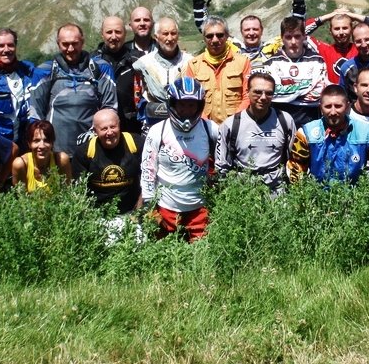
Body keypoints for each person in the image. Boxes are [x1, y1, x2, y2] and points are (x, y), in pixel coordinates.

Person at [141, 77, 218, 242]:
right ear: (172, 104)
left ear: (200, 105)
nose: (187, 110)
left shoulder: (210, 128)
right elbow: (148, 170)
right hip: (165, 207)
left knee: (202, 255)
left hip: (199, 207)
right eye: (181, 104)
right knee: (163, 254)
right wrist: (149, 206)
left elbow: (222, 163)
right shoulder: (157, 131)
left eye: (192, 105)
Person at [30, 23, 118, 158]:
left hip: (92, 146)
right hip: (56, 148)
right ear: (58, 44)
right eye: (65, 44)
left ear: (82, 42)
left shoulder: (101, 68)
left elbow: (110, 107)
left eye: (75, 43)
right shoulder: (44, 71)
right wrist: (41, 144)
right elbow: (35, 114)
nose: (70, 49)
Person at [287, 85, 369, 185]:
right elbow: (295, 172)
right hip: (317, 197)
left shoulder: (368, 132)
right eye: (327, 106)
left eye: (338, 106)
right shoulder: (305, 133)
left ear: (348, 107)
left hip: (356, 198)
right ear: (320, 108)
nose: (333, 112)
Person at [216, 72, 296, 194]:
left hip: (278, 190)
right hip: (243, 190)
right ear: (247, 92)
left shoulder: (285, 120)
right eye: (257, 92)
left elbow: (295, 159)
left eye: (269, 93)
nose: (263, 97)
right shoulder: (231, 124)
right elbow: (222, 165)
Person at [72, 108, 145, 214]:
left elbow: (150, 179)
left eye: (113, 127)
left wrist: (139, 211)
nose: (109, 132)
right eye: (104, 129)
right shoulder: (84, 152)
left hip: (132, 211)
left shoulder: (136, 143)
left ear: (119, 126)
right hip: (97, 213)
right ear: (95, 131)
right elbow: (78, 190)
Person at [263, 16, 328, 127]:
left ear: (304, 37)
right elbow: (271, 94)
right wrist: (304, 88)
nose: (293, 42)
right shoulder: (271, 63)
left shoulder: (317, 61)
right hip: (279, 118)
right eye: (288, 37)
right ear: (282, 38)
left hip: (309, 117)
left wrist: (286, 92)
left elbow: (318, 93)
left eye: (297, 36)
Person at [185, 15, 251, 124]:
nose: (215, 40)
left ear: (227, 36)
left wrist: (234, 122)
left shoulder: (243, 62)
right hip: (204, 127)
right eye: (209, 36)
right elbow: (191, 99)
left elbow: (247, 96)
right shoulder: (193, 65)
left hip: (236, 125)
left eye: (220, 35)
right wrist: (206, 125)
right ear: (204, 38)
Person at [132, 17, 193, 129]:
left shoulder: (191, 62)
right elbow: (137, 96)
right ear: (156, 37)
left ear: (178, 35)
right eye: (165, 34)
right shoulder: (143, 64)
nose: (169, 38)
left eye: (173, 33)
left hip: (183, 123)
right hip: (152, 124)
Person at [305, 8, 369, 83]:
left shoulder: (361, 48)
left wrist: (353, 16)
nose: (341, 32)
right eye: (336, 28)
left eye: (345, 28)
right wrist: (329, 16)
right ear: (330, 31)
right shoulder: (323, 50)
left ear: (351, 29)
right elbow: (301, 32)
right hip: (334, 99)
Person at [93, 16, 140, 133]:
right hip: (102, 129)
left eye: (118, 32)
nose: (114, 37)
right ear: (102, 34)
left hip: (132, 128)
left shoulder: (138, 59)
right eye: (109, 32)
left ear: (124, 34)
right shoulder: (91, 62)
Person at [11, 120, 72, 193]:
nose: (42, 146)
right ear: (29, 144)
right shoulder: (20, 164)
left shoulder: (61, 160)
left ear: (52, 143)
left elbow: (67, 193)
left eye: (46, 141)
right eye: (36, 141)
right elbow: (20, 197)